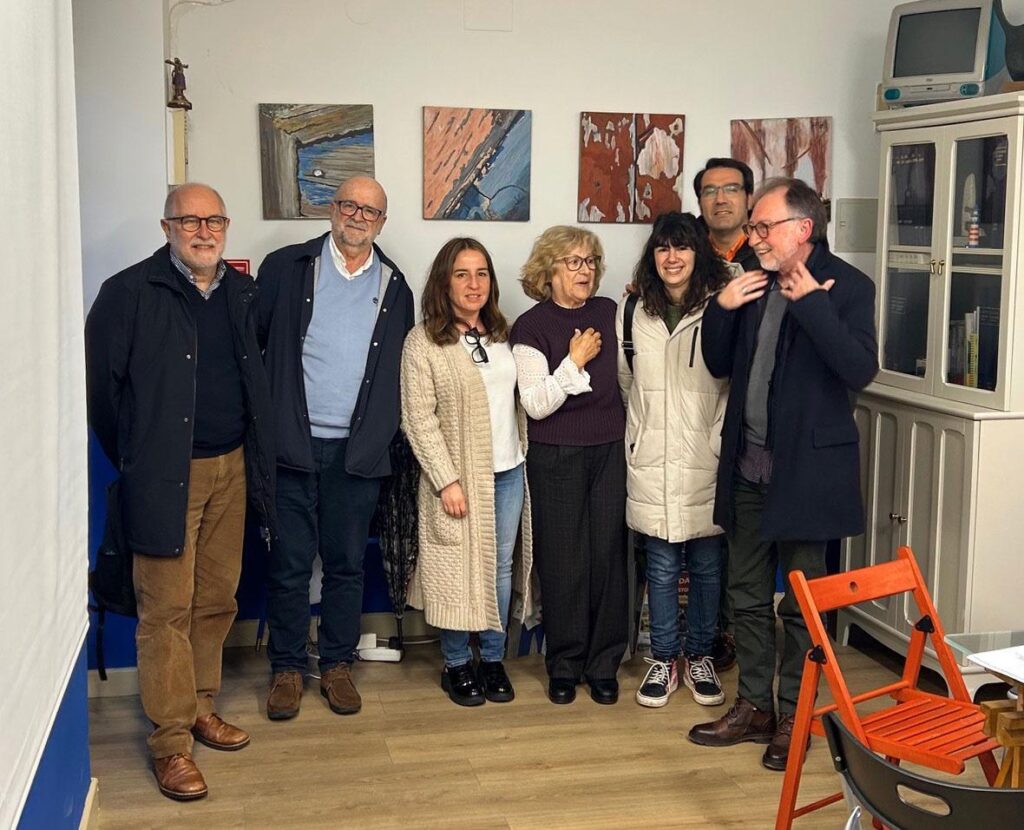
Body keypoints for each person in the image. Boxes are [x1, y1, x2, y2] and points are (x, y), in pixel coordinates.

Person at [84, 183, 275, 801]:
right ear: (166, 227)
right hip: (166, 476)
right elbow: (102, 397)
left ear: (226, 226)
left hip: (233, 468)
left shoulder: (243, 293)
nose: (203, 231)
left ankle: (199, 707)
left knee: (216, 600)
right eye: (189, 221)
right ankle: (170, 743)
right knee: (164, 610)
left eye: (213, 220)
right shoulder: (128, 293)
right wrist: (142, 456)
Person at [689, 178, 877, 771]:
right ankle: (754, 707)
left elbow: (858, 369)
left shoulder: (849, 285)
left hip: (807, 474)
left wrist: (813, 304)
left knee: (801, 605)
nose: (754, 237)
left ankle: (796, 714)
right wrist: (720, 309)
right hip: (747, 466)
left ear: (803, 228)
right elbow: (717, 364)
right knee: (746, 595)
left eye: (764, 226)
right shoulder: (752, 278)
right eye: (753, 227)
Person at [256, 176, 414, 720]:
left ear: (382, 222)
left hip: (356, 454)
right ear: (332, 209)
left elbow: (397, 371)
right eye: (349, 205)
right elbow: (256, 348)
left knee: (347, 566)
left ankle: (338, 665)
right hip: (291, 449)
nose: (358, 216)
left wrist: (382, 435)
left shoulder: (395, 286)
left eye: (370, 211)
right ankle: (286, 668)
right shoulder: (286, 268)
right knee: (290, 565)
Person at [401, 238, 532, 706]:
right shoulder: (423, 341)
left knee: (499, 569)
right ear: (444, 282)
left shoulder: (502, 333)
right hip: (457, 480)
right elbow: (418, 418)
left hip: (508, 471)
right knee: (455, 569)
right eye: (462, 274)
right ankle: (456, 662)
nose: (474, 284)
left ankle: (492, 658)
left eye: (482, 274)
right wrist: (446, 480)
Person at [510, 226, 627, 705]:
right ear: (549, 270)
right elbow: (536, 405)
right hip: (554, 454)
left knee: (608, 559)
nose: (586, 270)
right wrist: (574, 362)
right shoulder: (530, 326)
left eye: (590, 261)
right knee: (563, 563)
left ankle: (603, 665)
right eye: (574, 261)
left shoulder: (609, 312)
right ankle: (564, 664)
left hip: (609, 450)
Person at [617, 212, 730, 709]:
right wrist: (642, 434)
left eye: (681, 247)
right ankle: (664, 659)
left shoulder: (722, 305)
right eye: (663, 247)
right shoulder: (632, 309)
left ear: (698, 253)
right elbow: (627, 382)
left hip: (706, 456)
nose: (672, 257)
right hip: (653, 456)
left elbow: (733, 382)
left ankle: (700, 656)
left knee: (707, 565)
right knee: (661, 567)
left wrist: (715, 438)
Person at [693, 157, 761, 276]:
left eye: (731, 190)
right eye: (710, 192)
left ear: (749, 200)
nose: (720, 200)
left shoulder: (768, 247)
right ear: (700, 204)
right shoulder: (686, 250)